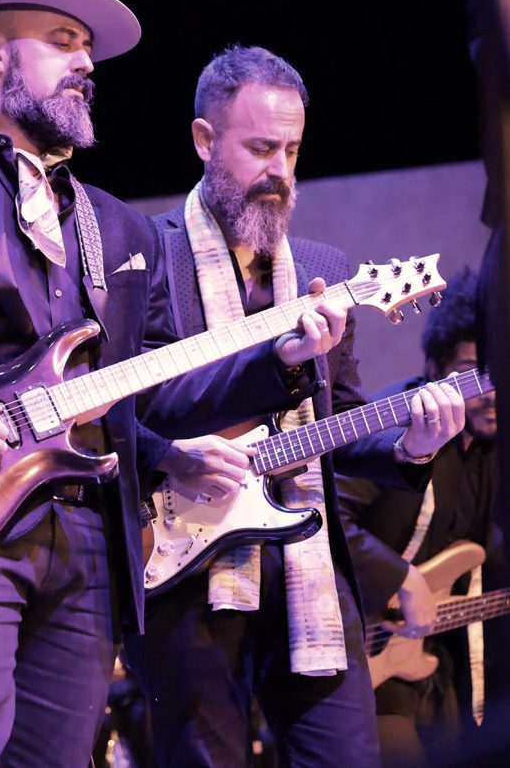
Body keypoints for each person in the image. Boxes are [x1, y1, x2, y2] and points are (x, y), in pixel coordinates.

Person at [0, 0, 364, 767]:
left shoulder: (122, 228)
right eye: (65, 40)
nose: (86, 64)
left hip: (86, 544)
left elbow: (153, 395)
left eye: (88, 50)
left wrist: (281, 359)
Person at [124, 44, 465, 768]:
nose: (278, 170)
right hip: (184, 565)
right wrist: (270, 363)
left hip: (308, 564)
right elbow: (134, 408)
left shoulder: (322, 270)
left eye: (291, 149)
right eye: (258, 148)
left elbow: (336, 420)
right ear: (203, 140)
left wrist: (410, 446)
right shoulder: (146, 254)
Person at [337, 266, 502, 767]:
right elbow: (325, 511)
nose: (490, 392)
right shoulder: (394, 418)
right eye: (471, 375)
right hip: (363, 657)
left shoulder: (492, 452)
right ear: (435, 369)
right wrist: (401, 578)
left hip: (431, 665)